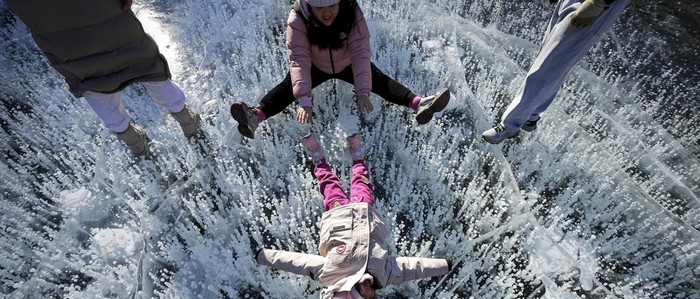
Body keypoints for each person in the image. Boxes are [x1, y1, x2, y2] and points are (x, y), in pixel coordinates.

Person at [255, 131, 452, 299]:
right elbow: (412, 268)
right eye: (375, 296)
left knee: (328, 184)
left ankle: (317, 157)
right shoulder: (383, 277)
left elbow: (297, 262)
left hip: (337, 216)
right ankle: (357, 154)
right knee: (361, 181)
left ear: (351, 296)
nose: (373, 291)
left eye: (368, 296)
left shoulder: (331, 275)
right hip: (364, 213)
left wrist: (265, 256)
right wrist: (442, 266)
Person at [5, 0, 201, 157]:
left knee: (90, 80)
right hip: (104, 11)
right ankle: (185, 119)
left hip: (56, 34)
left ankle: (134, 142)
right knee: (144, 63)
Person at [230, 0, 450, 139]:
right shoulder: (298, 18)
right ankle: (255, 116)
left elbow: (360, 51)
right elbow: (299, 60)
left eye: (331, 5)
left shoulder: (352, 11)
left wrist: (363, 90)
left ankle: (420, 103)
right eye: (320, 7)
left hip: (347, 63)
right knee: (288, 88)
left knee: (379, 81)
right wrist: (305, 100)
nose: (327, 12)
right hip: (316, 66)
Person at [482, 0, 631, 144]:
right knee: (549, 59)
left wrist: (598, 2)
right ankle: (531, 115)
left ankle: (510, 126)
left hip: (596, 4)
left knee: (549, 67)